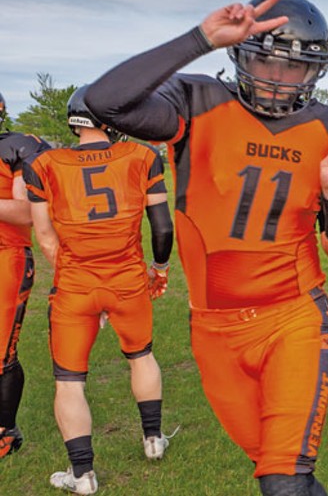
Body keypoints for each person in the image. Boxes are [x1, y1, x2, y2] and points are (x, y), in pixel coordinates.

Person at [85, 0, 328, 496]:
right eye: (266, 59)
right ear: (240, 54)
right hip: (212, 330)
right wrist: (199, 39)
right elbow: (105, 101)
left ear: (316, 72)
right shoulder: (197, 102)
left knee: (283, 478)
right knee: (279, 472)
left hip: (292, 318)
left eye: (295, 69)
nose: (279, 79)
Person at [25, 86, 176, 495]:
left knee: (69, 380)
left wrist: (80, 274)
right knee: (141, 355)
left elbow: (45, 237)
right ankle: (152, 440)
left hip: (75, 285)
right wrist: (158, 269)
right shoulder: (143, 157)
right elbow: (162, 228)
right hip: (127, 280)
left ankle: (83, 475)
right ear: (111, 119)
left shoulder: (44, 163)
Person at [0, 90, 51, 459]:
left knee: (1, 353)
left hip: (7, 257)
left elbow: (26, 212)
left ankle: (5, 430)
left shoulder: (17, 147)